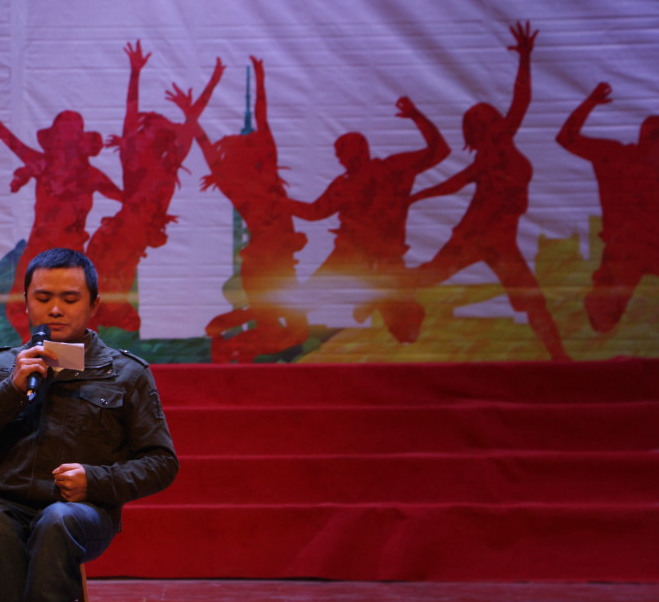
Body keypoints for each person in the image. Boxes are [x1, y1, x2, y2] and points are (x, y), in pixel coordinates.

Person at [0, 247, 178, 602]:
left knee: (57, 519)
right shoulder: (0, 367)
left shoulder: (127, 374)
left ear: (93, 304)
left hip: (84, 511)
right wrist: (11, 390)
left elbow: (161, 462)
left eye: (69, 299)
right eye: (43, 297)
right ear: (26, 302)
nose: (55, 309)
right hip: (6, 503)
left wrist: (96, 480)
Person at [409, 21, 569, 361]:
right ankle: (380, 290)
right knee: (430, 277)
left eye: (489, 117)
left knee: (530, 298)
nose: (491, 122)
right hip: (475, 235)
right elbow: (454, 183)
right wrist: (417, 196)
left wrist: (525, 58)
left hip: (500, 241)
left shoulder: (498, 147)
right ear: (480, 131)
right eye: (482, 122)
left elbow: (521, 101)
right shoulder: (490, 154)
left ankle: (559, 357)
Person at [0, 73, 123, 340]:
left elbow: (128, 200)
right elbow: (5, 136)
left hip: (72, 251)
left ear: (77, 141)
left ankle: (83, 356)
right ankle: (29, 348)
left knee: (79, 309)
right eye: (60, 136)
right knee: (16, 306)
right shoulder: (42, 164)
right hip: (39, 247)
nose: (64, 142)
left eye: (69, 137)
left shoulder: (90, 175)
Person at [174, 56, 309, 362]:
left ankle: (232, 340)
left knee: (292, 332)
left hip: (274, 264)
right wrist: (190, 114)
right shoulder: (247, 186)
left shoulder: (253, 183)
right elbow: (210, 143)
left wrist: (260, 79)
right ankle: (233, 342)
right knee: (288, 331)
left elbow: (257, 122)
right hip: (266, 265)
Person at [285, 96, 449, 343]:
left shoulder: (392, 169)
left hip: (382, 260)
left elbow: (439, 151)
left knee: (403, 325)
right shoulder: (346, 183)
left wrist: (417, 116)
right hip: (352, 256)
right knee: (304, 301)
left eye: (343, 152)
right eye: (338, 154)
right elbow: (315, 212)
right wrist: (279, 202)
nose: (340, 158)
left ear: (360, 151)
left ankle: (381, 308)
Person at [86, 41, 225, 332]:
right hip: (119, 235)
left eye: (151, 130)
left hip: (129, 238)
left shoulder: (167, 166)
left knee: (111, 290)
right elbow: (131, 114)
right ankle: (92, 326)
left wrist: (211, 85)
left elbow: (189, 125)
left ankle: (101, 324)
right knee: (98, 289)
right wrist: (135, 72)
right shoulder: (133, 159)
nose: (143, 132)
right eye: (146, 129)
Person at [556, 81, 659, 333]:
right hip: (627, 249)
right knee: (605, 314)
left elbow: (566, 139)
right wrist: (589, 103)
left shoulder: (615, 157)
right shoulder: (615, 157)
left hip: (636, 249)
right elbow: (566, 139)